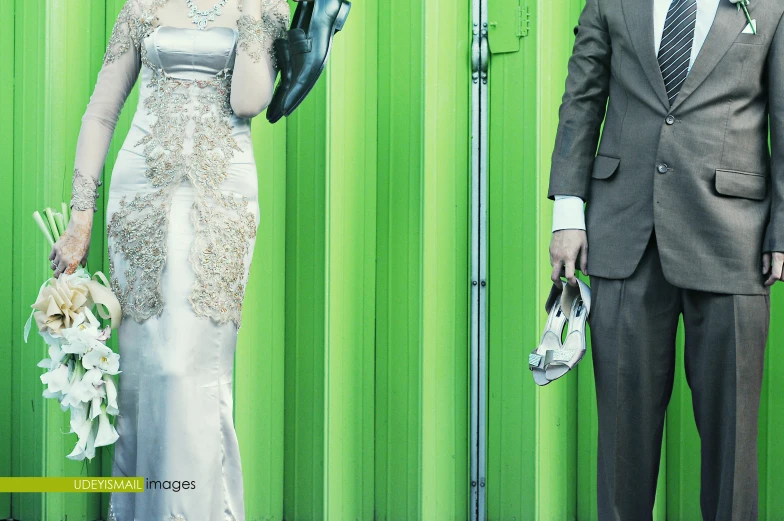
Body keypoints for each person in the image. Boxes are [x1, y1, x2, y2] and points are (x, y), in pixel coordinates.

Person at [47, 0, 289, 519]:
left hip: (221, 199)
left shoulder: (267, 6)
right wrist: (81, 215)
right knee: (147, 368)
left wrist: (249, 7)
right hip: (141, 201)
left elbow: (250, 101)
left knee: (197, 369)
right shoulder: (142, 6)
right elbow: (101, 112)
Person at [547, 0, 784, 519]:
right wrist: (568, 211)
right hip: (626, 235)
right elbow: (582, 98)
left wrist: (781, 229)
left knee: (733, 440)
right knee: (620, 439)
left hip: (732, 241)